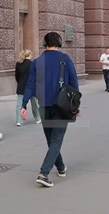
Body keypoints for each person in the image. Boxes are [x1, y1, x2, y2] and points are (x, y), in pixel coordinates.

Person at [21, 32, 79, 187]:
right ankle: (43, 173)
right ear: (59, 43)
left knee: (51, 141)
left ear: (44, 44)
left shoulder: (37, 62)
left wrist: (23, 104)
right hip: (62, 106)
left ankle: (61, 167)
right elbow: (74, 84)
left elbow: (30, 85)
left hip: (44, 106)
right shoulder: (65, 59)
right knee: (56, 141)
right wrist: (76, 106)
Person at [15, 50, 40, 126]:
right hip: (31, 86)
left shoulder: (18, 64)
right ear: (29, 55)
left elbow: (17, 76)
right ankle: (37, 118)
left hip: (21, 86)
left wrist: (20, 82)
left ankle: (19, 121)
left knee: (19, 104)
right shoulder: (32, 64)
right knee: (34, 104)